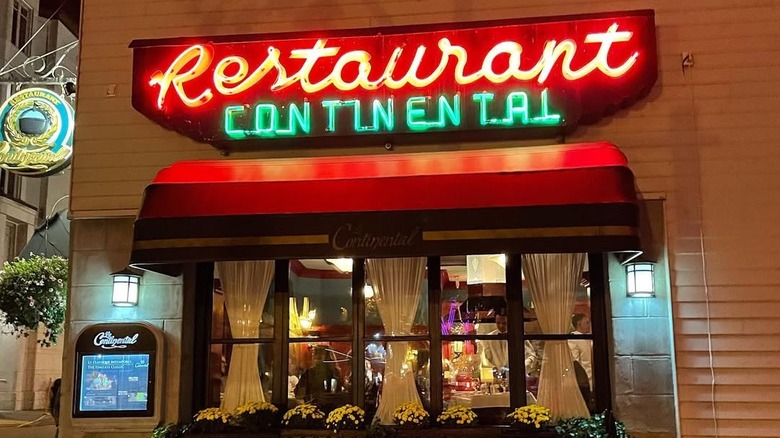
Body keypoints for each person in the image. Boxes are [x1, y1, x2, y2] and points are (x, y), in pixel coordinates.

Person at [568, 313, 593, 408]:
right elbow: (575, 362)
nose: (588, 325)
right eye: (586, 322)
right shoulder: (574, 339)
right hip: (584, 378)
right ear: (579, 324)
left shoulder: (588, 338)